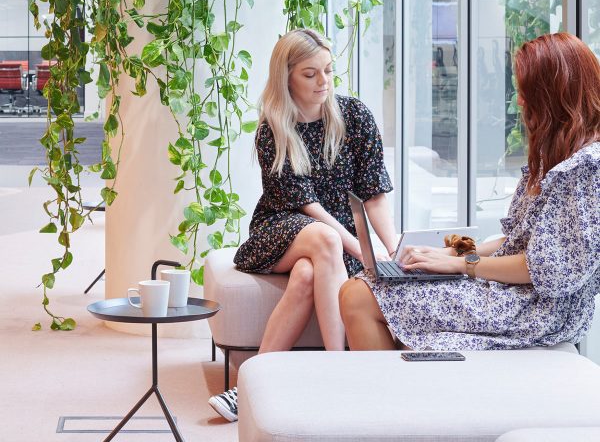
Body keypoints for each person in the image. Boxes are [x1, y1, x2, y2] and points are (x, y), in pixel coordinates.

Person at [339, 32, 600, 353]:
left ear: (555, 95)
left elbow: (543, 269)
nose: (519, 101)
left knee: (358, 297)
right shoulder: (554, 157)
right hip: (513, 292)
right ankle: (397, 393)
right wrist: (451, 254)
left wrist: (465, 264)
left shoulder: (586, 169)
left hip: (537, 309)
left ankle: (387, 401)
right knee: (372, 287)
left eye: (526, 91)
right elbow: (516, 240)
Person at [209, 28, 396, 421]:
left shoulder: (355, 116)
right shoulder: (272, 130)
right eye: (311, 74)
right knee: (325, 240)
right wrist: (361, 249)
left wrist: (391, 250)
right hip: (281, 226)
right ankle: (337, 369)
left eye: (328, 71)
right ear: (287, 76)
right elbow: (308, 206)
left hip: (328, 236)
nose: (323, 81)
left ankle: (246, 389)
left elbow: (374, 193)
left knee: (308, 275)